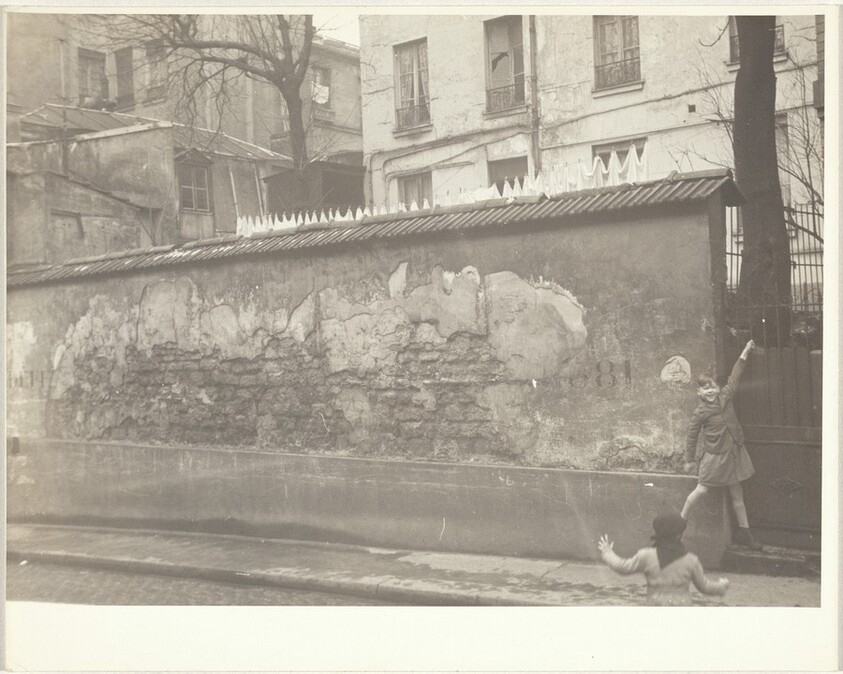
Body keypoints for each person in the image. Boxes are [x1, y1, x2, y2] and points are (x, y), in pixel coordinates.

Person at [681, 339, 762, 550]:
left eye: (713, 387)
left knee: (737, 495)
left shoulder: (726, 397)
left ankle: (745, 534)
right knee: (700, 491)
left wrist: (745, 351)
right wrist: (689, 459)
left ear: (718, 388)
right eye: (705, 388)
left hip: (734, 454)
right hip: (715, 457)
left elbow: (735, 376)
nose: (710, 391)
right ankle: (677, 527)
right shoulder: (700, 413)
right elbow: (691, 436)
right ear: (699, 392)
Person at [598, 512, 729, 606]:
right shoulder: (691, 560)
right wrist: (721, 586)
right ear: (679, 536)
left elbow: (622, 567)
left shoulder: (646, 556)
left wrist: (607, 552)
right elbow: (705, 587)